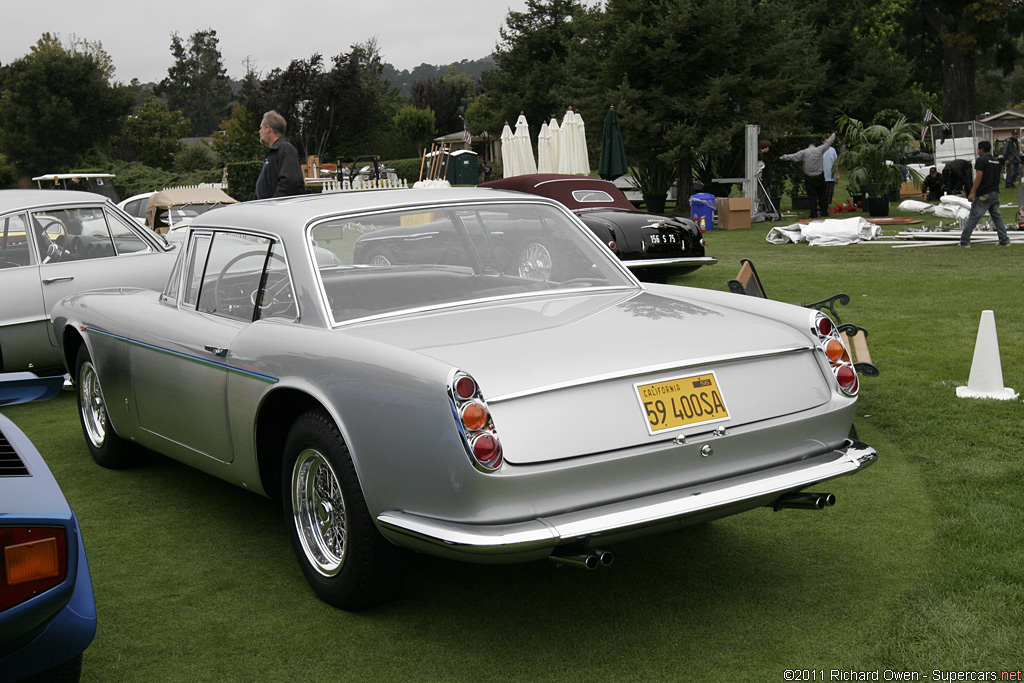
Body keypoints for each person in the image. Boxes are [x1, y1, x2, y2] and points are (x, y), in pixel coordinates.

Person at [959, 140, 1010, 247]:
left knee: (973, 217)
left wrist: (972, 192)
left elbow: (979, 175)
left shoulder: (981, 161)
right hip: (995, 193)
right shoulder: (996, 161)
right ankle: (1004, 240)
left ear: (982, 149)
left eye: (978, 149)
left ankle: (964, 242)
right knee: (997, 217)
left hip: (984, 194)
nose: (977, 151)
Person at [779, 132, 836, 219]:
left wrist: (782, 158)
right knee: (822, 195)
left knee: (812, 196)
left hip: (809, 177)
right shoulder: (820, 150)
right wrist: (834, 134)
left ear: (808, 146)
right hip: (819, 176)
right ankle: (824, 212)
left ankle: (813, 213)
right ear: (815, 145)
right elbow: (829, 143)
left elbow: (793, 157)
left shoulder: (804, 152)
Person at [255, 110, 305, 200]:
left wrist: (274, 202)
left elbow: (290, 181)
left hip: (277, 209)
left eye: (261, 128)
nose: (259, 131)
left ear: (268, 128)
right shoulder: (274, 152)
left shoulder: (286, 150)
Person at [822, 135, 838, 211]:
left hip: (831, 175)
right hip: (822, 175)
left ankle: (826, 205)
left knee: (829, 192)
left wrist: (837, 173)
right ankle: (821, 205)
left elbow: (836, 162)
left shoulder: (833, 150)